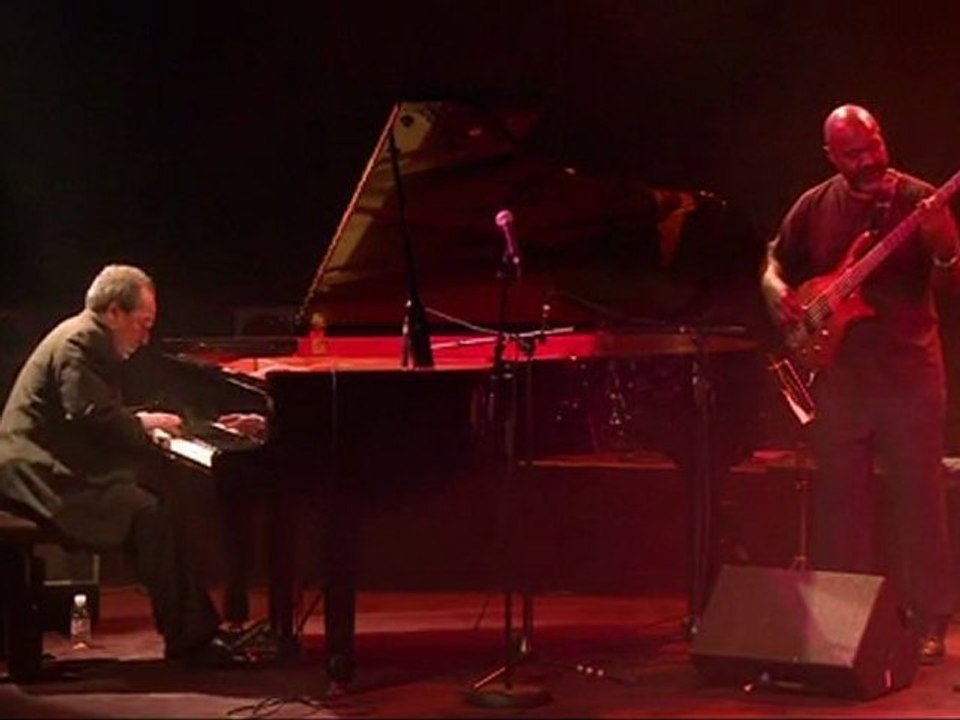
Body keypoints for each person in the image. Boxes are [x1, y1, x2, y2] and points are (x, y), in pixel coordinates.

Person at [761, 104, 960, 664]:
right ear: (832, 157)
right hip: (843, 378)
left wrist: (945, 245)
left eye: (873, 145)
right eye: (853, 154)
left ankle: (929, 622)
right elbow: (773, 259)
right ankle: (843, 622)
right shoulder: (815, 204)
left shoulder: (917, 198)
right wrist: (778, 293)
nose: (869, 159)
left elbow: (953, 281)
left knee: (919, 501)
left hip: (908, 374)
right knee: (839, 504)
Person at [0, 264, 260, 666]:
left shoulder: (83, 335)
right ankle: (191, 639)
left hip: (46, 465)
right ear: (114, 312)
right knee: (148, 514)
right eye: (143, 324)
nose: (146, 337)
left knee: (148, 505)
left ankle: (191, 630)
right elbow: (88, 416)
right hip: (36, 476)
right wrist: (144, 423)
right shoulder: (81, 341)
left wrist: (145, 423)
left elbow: (93, 413)